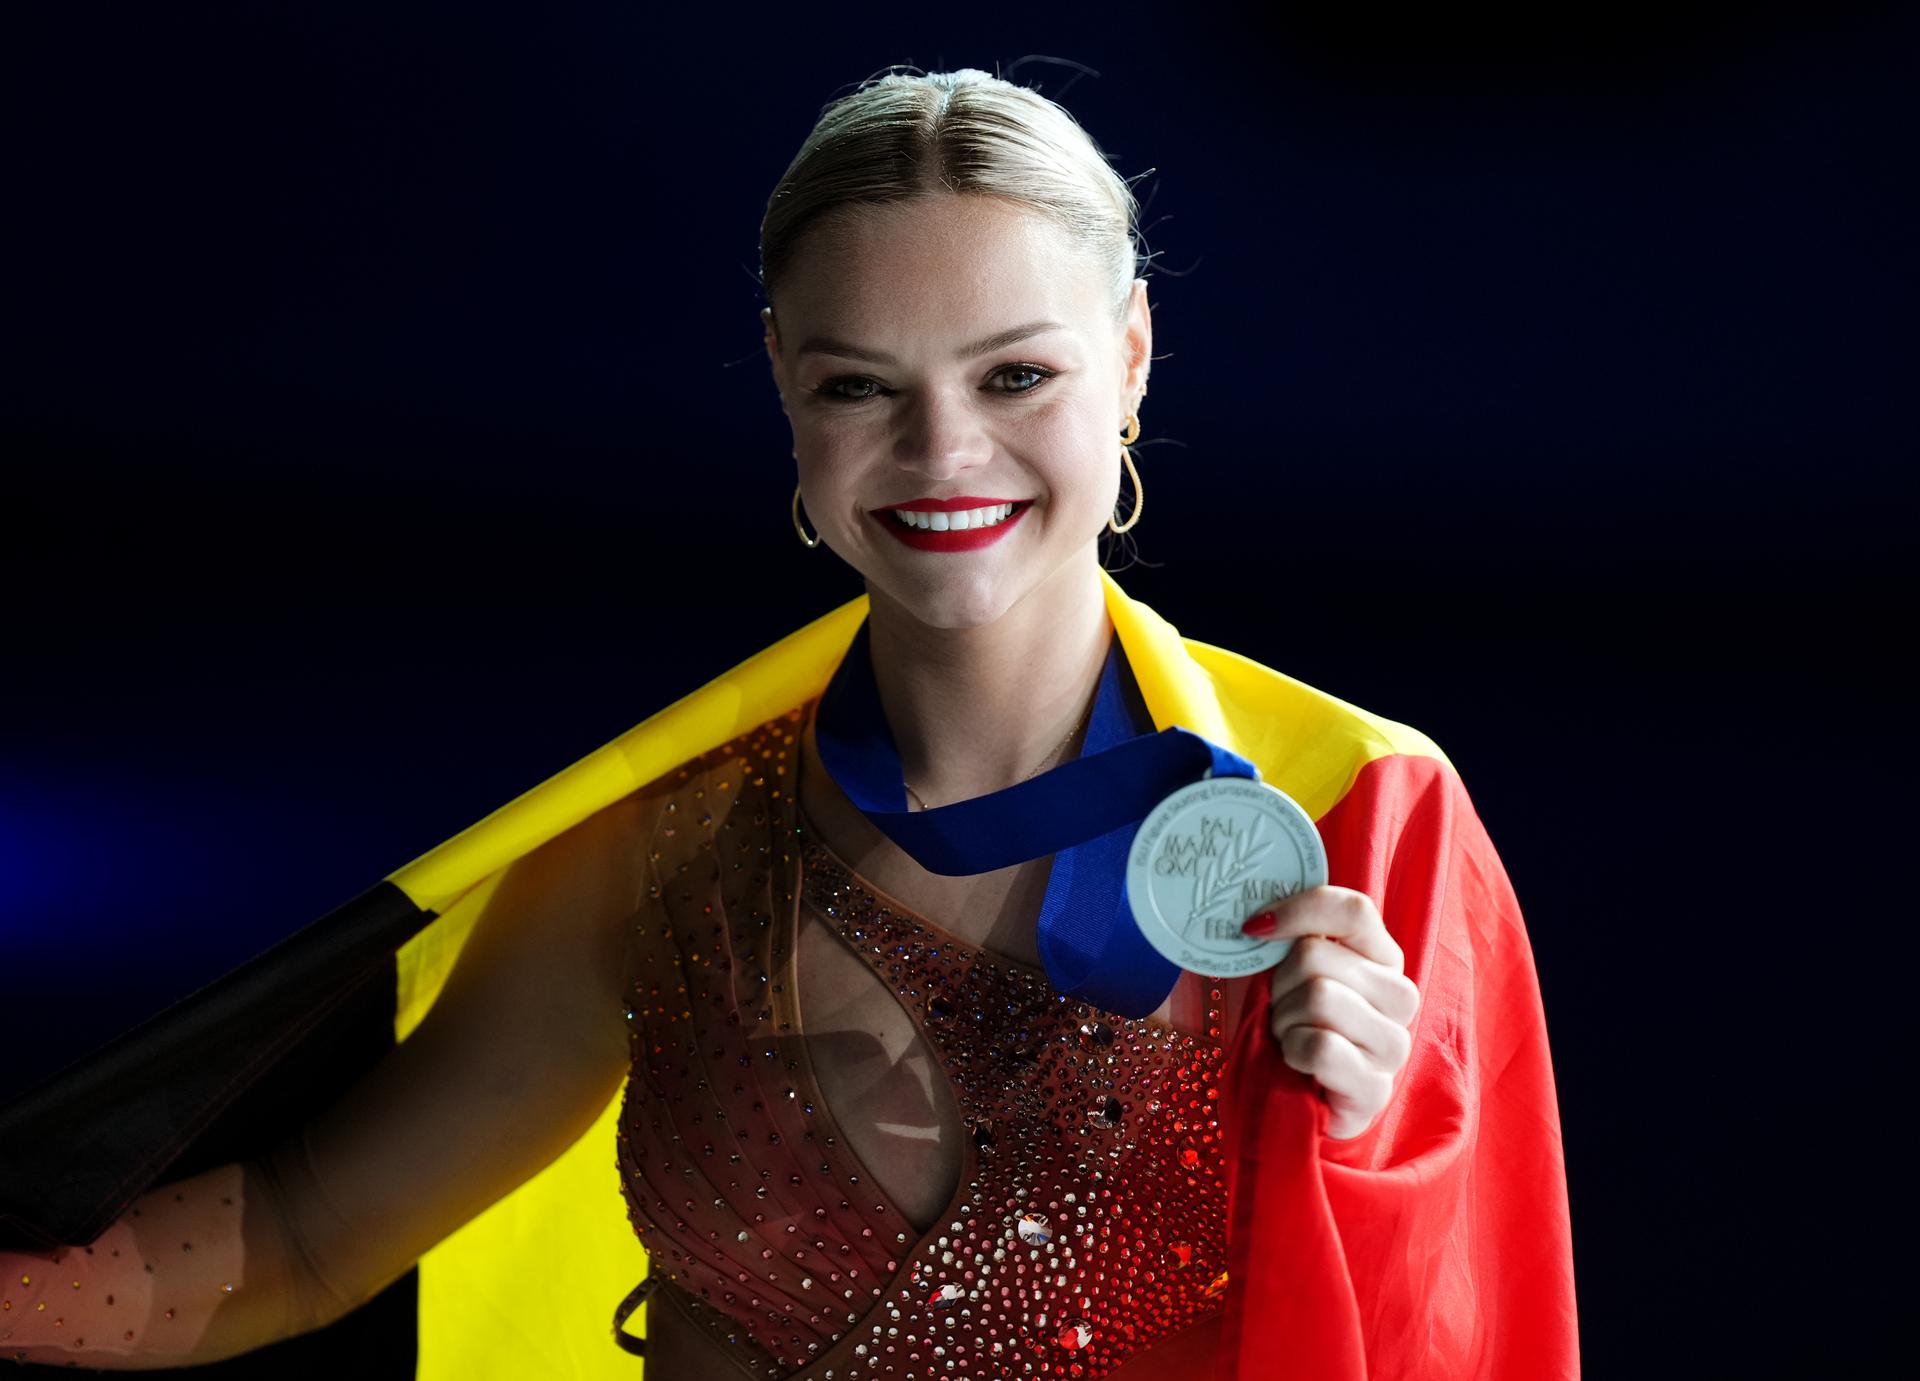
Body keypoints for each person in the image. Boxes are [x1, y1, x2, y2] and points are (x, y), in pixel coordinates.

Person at [0, 68, 1576, 1378]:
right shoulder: (660, 842)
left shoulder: (1359, 822)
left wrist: (1381, 1141)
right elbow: (294, 1237)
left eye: (1017, 375)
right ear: (780, 381)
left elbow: (1454, 1320)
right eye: (860, 387)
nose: (942, 453)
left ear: (1132, 360)